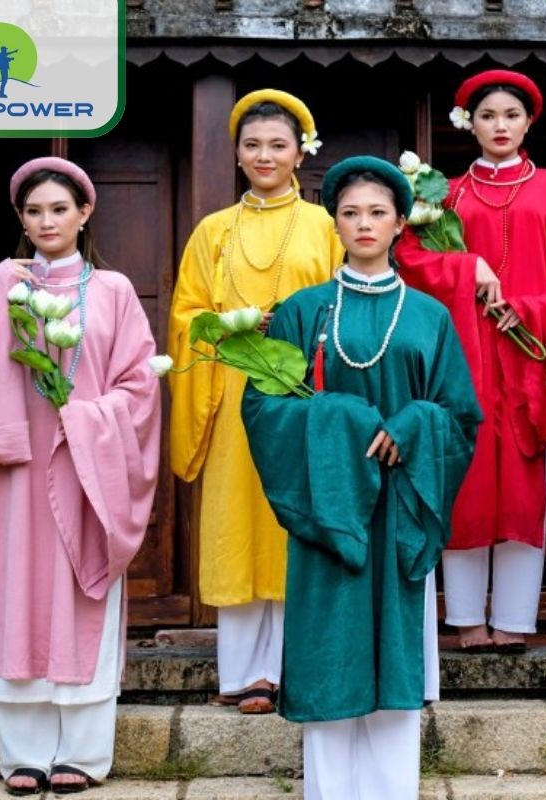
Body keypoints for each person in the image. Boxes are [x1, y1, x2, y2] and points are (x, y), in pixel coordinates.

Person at [242, 156, 481, 800]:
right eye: (351, 212)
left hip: (403, 499)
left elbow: (460, 416)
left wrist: (413, 427)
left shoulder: (429, 316)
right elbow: (264, 406)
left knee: (394, 644)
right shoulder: (303, 310)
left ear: (402, 222)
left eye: (378, 212)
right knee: (330, 643)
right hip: (329, 501)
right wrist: (343, 422)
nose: (364, 223)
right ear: (335, 222)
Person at [0, 157, 161, 794]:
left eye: (59, 209)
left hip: (88, 466)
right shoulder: (0, 285)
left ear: (85, 213)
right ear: (21, 220)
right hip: (19, 468)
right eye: (33, 212)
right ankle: (23, 754)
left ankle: (83, 754)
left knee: (79, 591)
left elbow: (139, 385)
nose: (46, 222)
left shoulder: (112, 292)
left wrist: (84, 416)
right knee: (17, 590)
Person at [395, 69, 546, 653]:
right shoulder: (443, 196)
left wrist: (530, 308)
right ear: (469, 124)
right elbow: (407, 257)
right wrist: (467, 269)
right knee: (466, 482)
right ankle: (465, 620)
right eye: (488, 116)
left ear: (529, 121)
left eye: (511, 115)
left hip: (528, 355)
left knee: (522, 489)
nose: (500, 126)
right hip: (462, 358)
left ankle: (514, 619)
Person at [167, 89, 343, 712]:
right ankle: (243, 674)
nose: (264, 155)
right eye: (252, 145)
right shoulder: (213, 231)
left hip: (301, 391)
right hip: (232, 390)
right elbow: (187, 314)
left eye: (278, 145)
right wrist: (231, 326)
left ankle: (296, 668)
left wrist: (294, 332)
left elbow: (343, 306)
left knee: (291, 519)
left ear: (301, 153)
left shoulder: (327, 225)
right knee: (238, 523)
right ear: (237, 154)